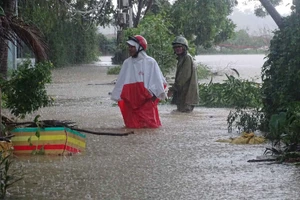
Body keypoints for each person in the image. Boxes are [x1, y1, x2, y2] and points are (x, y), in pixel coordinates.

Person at [111, 35, 167, 128]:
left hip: (146, 104)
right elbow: (120, 84)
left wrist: (151, 100)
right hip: (131, 105)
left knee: (149, 128)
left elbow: (159, 83)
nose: (129, 49)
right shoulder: (127, 63)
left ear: (139, 47)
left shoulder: (151, 62)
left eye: (132, 47)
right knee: (132, 128)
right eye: (129, 47)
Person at [167, 35, 199, 113]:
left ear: (184, 47)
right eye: (175, 47)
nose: (177, 49)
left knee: (184, 115)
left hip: (187, 96)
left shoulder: (187, 58)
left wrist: (172, 89)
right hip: (183, 95)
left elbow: (183, 78)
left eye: (179, 47)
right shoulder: (182, 58)